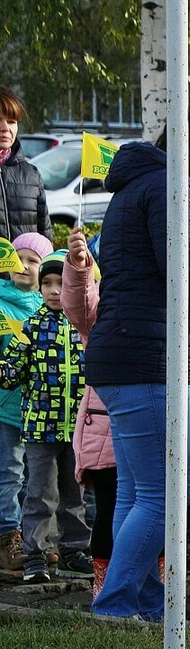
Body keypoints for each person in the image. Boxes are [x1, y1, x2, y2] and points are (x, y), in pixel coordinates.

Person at [87, 104, 190, 621]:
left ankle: (147, 604)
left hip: (121, 354)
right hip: (150, 358)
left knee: (137, 492)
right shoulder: (172, 187)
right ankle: (112, 608)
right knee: (169, 494)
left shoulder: (136, 185)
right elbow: (187, 264)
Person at [0, 251, 90, 583]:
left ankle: (73, 551)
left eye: (61, 282)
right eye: (47, 283)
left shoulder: (83, 326)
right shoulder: (30, 327)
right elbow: (11, 373)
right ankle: (35, 553)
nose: (54, 290)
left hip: (78, 429)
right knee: (39, 493)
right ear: (39, 289)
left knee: (75, 495)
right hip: (40, 428)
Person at [60, 230, 117, 599]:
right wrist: (81, 267)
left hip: (152, 429)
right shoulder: (104, 307)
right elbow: (80, 306)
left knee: (153, 513)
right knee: (109, 513)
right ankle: (105, 587)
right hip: (105, 434)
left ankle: (150, 586)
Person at [0, 232, 51, 572]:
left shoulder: (48, 307)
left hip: (38, 409)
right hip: (5, 406)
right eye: (17, 258)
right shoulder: (1, 303)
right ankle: (7, 539)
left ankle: (36, 542)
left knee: (37, 480)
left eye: (33, 261)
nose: (24, 266)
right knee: (9, 472)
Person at [0, 87, 53, 240]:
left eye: (12, 122)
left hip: (25, 265)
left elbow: (44, 239)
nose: (6, 128)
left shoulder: (31, 175)